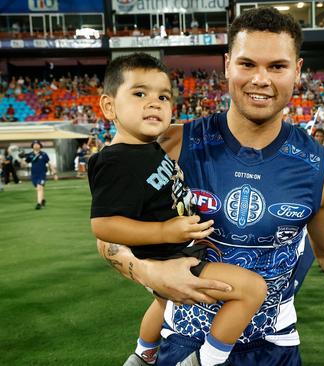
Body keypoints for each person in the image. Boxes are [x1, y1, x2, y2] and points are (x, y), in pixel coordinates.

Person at [94, 8, 324, 366]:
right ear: (227, 65)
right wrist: (147, 271)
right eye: (247, 64)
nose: (261, 79)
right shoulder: (171, 145)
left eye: (276, 66)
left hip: (273, 348)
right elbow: (108, 233)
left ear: (297, 70)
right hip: (183, 342)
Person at [88, 53, 267, 366]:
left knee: (164, 304)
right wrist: (165, 231)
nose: (155, 103)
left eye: (163, 96)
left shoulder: (147, 146)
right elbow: (103, 225)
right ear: (108, 106)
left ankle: (143, 355)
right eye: (140, 93)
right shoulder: (116, 160)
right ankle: (206, 360)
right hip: (165, 256)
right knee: (253, 289)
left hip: (178, 248)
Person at [21, 140, 57, 209]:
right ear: (32, 146)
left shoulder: (44, 154)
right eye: (34, 144)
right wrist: (22, 158)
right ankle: (42, 200)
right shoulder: (30, 155)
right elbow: (23, 164)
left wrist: (54, 173)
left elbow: (50, 164)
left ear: (40, 146)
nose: (36, 145)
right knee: (38, 188)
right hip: (34, 175)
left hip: (42, 174)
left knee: (39, 188)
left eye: (37, 144)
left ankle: (39, 204)